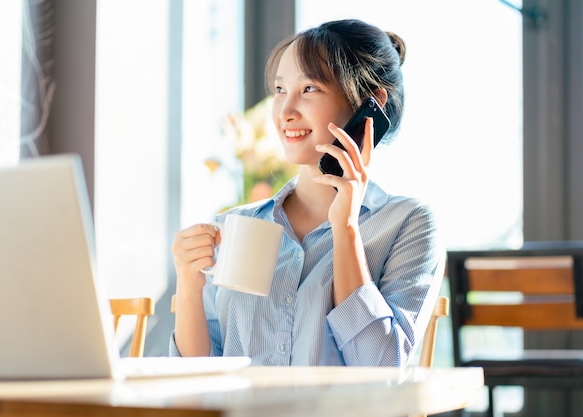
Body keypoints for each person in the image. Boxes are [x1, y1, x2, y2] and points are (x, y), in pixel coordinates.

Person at [170, 18, 444, 367]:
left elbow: (379, 367)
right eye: (280, 90)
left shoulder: (407, 223)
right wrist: (190, 288)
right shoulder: (235, 224)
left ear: (367, 104)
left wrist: (345, 228)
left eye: (309, 89)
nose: (285, 112)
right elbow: (199, 376)